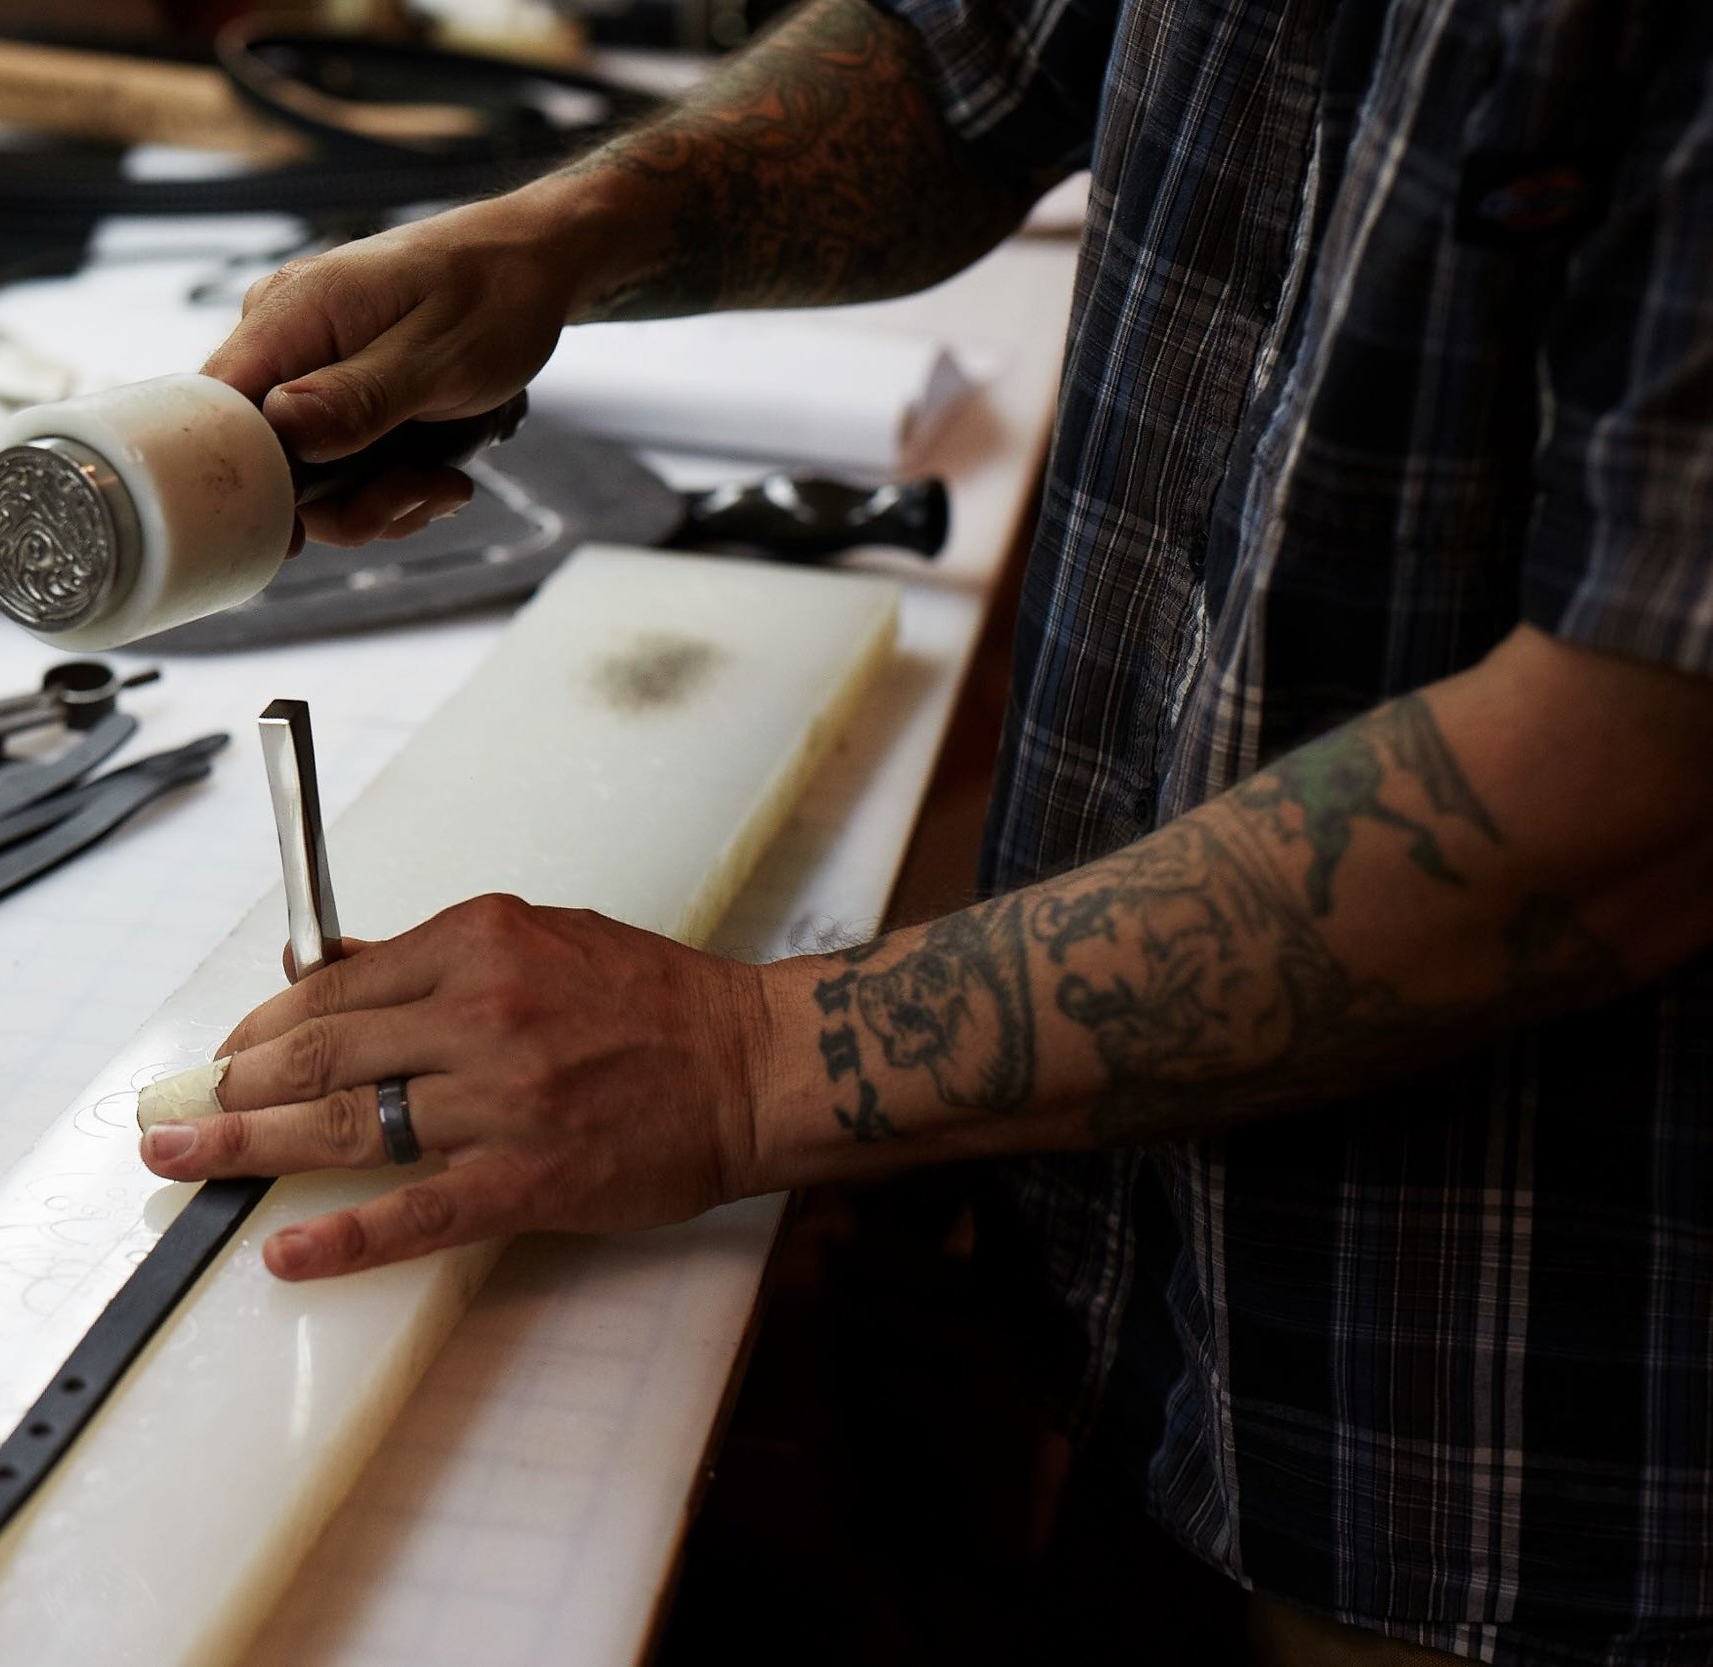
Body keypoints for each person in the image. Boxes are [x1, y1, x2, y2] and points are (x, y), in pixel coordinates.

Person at [139, 1, 1713, 1660]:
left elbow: (1640, 775)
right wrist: (556, 240)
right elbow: (972, 64)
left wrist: (749, 1062)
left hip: (1518, 1447)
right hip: (1126, 1276)